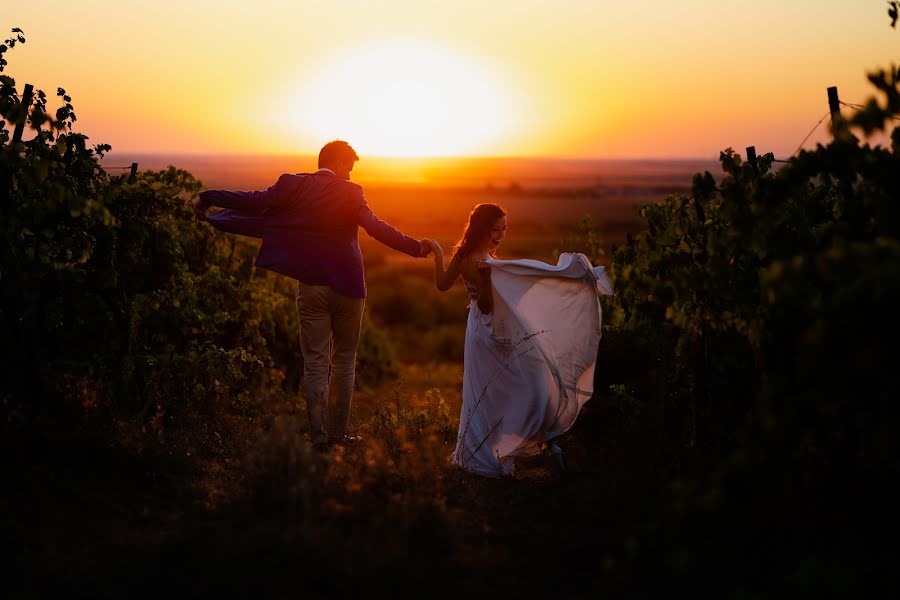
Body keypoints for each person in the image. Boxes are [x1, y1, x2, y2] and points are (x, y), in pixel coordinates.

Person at [192, 140, 431, 452]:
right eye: (349, 167)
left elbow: (251, 201)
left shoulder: (292, 185)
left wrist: (209, 196)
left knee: (315, 362)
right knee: (344, 362)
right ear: (338, 162)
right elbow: (376, 228)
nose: (349, 175)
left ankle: (318, 438)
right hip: (349, 288)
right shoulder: (351, 192)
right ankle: (338, 437)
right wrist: (417, 248)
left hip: (311, 288)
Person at [428, 203, 613, 477]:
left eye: (504, 229)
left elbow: (442, 283)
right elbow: (487, 306)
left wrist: (441, 255)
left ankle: (512, 444)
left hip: (483, 330)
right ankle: (502, 450)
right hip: (488, 333)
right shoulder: (479, 262)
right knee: (506, 389)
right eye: (495, 230)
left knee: (499, 390)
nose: (500, 235)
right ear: (481, 228)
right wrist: (487, 279)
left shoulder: (466, 253)